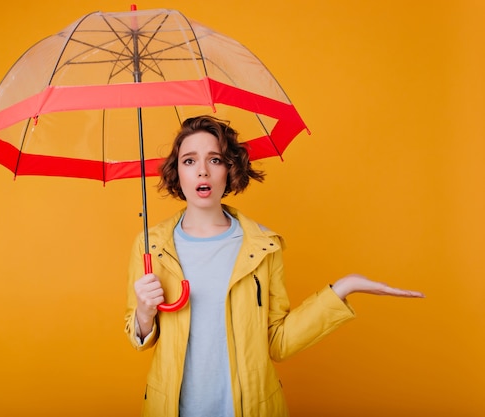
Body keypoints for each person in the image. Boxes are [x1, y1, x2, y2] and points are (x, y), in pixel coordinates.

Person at [123, 115, 424, 417]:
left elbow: (278, 341)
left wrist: (342, 289)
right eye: (189, 161)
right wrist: (144, 314)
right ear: (177, 172)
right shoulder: (151, 246)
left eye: (215, 160)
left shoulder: (264, 246)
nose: (202, 171)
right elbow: (138, 337)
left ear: (229, 169)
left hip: (252, 408)